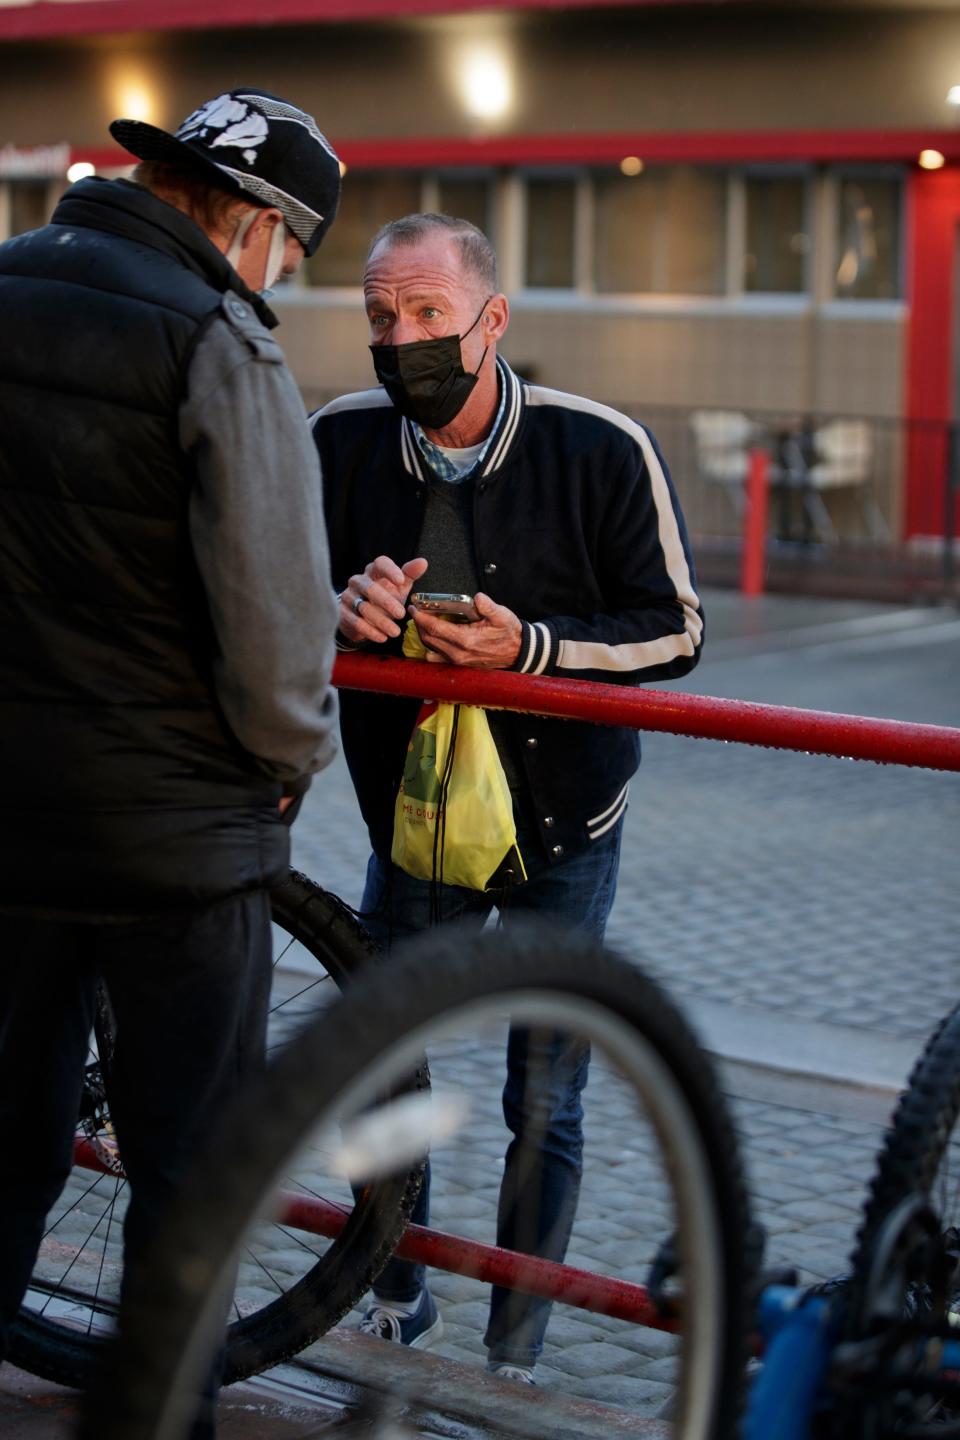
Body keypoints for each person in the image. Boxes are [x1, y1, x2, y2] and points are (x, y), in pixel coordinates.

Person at [310, 212, 704, 1383]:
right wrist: (341, 606)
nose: (403, 339)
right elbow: (271, 583)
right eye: (382, 316)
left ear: (493, 319)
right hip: (414, 816)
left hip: (561, 826)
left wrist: (532, 647)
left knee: (546, 1092)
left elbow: (677, 632)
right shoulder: (337, 439)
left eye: (429, 314)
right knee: (384, 1052)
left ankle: (516, 1347)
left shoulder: (599, 447)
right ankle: (392, 1288)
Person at [0, 88, 341, 1437]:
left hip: (7, 823)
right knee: (191, 1169)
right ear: (255, 225)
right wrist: (287, 762)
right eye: (296, 259)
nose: (284, 285)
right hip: (177, 839)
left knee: (5, 1138)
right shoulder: (220, 343)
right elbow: (274, 630)